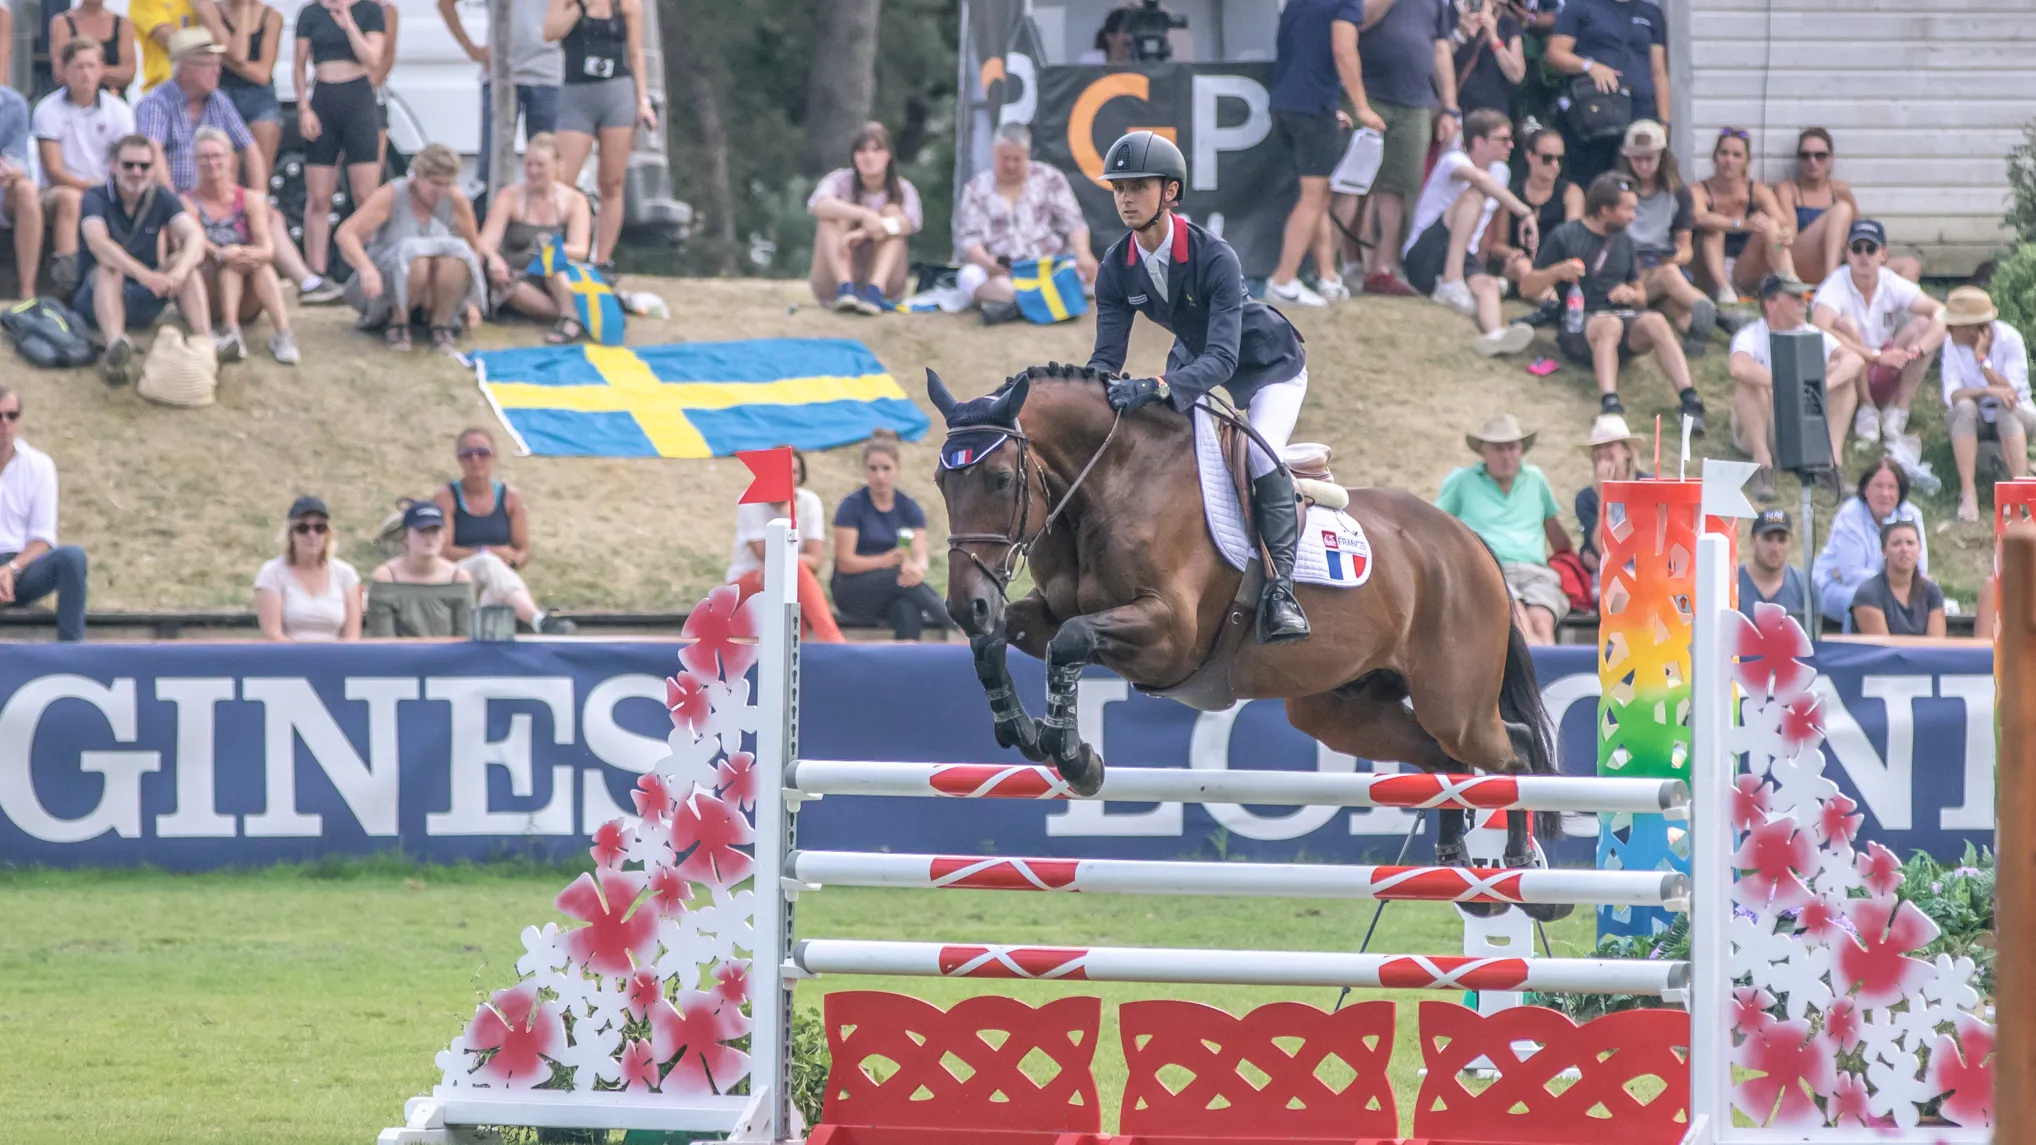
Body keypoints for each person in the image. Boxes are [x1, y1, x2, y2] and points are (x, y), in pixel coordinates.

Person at [1088, 131, 1313, 643]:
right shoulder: (1116, 266)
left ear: (1170, 191)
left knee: (1261, 457)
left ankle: (1282, 593)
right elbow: (1105, 360)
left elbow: (1223, 358)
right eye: (1118, 188)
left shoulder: (1215, 256)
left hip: (1266, 366)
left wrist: (1157, 384)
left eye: (1137, 186)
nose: (1125, 198)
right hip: (1194, 360)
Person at [135, 28, 325, 297]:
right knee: (185, 221)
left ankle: (307, 282)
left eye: (217, 64)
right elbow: (152, 155)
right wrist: (174, 203)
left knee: (270, 215)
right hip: (176, 199)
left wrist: (257, 197)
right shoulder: (155, 103)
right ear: (185, 68)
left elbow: (250, 148)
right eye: (209, 65)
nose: (217, 71)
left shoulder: (219, 101)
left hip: (216, 198)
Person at [1520, 172, 1706, 429]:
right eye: (1628, 209)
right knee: (1609, 324)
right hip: (1578, 328)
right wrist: (1557, 272)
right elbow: (1526, 286)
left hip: (1620, 324)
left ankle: (1690, 398)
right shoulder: (1565, 236)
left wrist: (1632, 295)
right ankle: (1610, 401)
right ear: (1605, 210)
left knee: (1656, 321)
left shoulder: (1625, 242)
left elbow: (1640, 295)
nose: (1633, 216)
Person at [1264, 0, 1375, 308]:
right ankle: (1283, 281)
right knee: (1313, 197)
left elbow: (1298, 52)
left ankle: (1327, 276)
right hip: (1311, 109)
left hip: (1289, 105)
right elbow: (1344, 49)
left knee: (1319, 193)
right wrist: (1362, 106)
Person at [1401, 108, 1537, 357]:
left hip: (1464, 253)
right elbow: (1481, 182)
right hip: (1424, 253)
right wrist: (1524, 212)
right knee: (1475, 193)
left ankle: (1495, 334)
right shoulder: (1454, 160)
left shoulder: (1501, 173)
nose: (1510, 145)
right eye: (1503, 139)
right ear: (1478, 142)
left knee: (1486, 284)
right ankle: (1451, 282)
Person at [78, 133, 212, 384]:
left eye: (144, 166)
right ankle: (115, 347)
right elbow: (99, 244)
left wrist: (178, 273)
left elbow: (195, 236)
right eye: (129, 165)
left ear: (153, 169)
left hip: (145, 294)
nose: (136, 172)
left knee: (184, 264)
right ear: (114, 165)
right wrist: (145, 275)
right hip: (96, 297)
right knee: (109, 267)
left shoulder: (161, 197)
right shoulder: (94, 197)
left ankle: (205, 343)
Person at [1810, 218, 1946, 453]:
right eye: (1857, 248)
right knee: (1846, 325)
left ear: (1884, 254)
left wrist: (1918, 349)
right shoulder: (1835, 283)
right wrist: (1874, 355)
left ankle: (1899, 410)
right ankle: (1866, 409)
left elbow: (1941, 312)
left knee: (1924, 323)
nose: (1864, 256)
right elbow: (1819, 326)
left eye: (1871, 249)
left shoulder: (1891, 282)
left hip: (1888, 364)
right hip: (1849, 373)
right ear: (1847, 254)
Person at [1437, 413, 1575, 645]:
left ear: (1521, 449)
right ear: (1484, 452)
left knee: (1542, 623)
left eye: (1512, 448)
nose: (1507, 456)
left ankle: (1543, 677)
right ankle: (1538, 678)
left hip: (1535, 573)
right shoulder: (1462, 481)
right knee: (1519, 624)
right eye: (1499, 449)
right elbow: (1436, 527)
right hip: (1489, 570)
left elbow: (1557, 535)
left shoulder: (1535, 479)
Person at [335, 142, 486, 354]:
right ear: (417, 177)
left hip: (435, 284)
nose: (440, 191)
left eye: (447, 184)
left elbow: (473, 248)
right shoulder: (393, 194)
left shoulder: (455, 200)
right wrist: (365, 267)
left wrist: (471, 298)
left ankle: (441, 323)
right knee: (416, 256)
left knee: (455, 257)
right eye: (434, 184)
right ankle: (398, 321)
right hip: (392, 276)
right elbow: (346, 234)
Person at [1348, 0, 1454, 297]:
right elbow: (1359, 22)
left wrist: (1450, 107)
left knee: (1397, 188)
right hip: (1368, 96)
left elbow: (1441, 50)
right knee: (1355, 186)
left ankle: (1383, 269)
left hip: (1416, 101)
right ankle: (1351, 265)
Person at [1727, 273, 1864, 501]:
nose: (1804, 302)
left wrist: (1823, 386)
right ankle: (1761, 465)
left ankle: (1830, 465)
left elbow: (1855, 361)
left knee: (1845, 383)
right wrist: (1783, 385)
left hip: (1805, 425)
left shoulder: (1813, 334)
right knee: (1748, 384)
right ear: (1771, 304)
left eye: (1805, 296)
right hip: (1767, 425)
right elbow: (1738, 367)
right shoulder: (1750, 335)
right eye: (1794, 297)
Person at [429, 427, 576, 634]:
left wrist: (513, 560)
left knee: (497, 581)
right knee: (486, 562)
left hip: (493, 587)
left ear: (494, 456)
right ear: (459, 460)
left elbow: (523, 550)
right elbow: (442, 552)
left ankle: (532, 622)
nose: (475, 459)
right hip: (456, 581)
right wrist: (489, 552)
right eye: (467, 454)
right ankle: (539, 621)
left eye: (482, 453)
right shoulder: (446, 498)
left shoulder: (510, 498)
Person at [545, 0, 655, 268]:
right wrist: (581, 7)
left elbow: (636, 53)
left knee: (612, 182)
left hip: (617, 92)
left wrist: (642, 101)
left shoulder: (627, 5)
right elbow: (549, 33)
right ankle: (556, 253)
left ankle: (603, 260)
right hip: (577, 94)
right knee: (561, 180)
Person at [954, 123, 1098, 324]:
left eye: (1017, 159)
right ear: (994, 153)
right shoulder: (977, 188)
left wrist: (1083, 253)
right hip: (1000, 273)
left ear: (1027, 154)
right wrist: (987, 262)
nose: (1011, 165)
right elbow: (970, 239)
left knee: (1077, 270)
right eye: (1005, 159)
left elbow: (1074, 223)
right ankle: (1043, 302)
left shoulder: (1050, 178)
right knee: (968, 276)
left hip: (1047, 267)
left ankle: (1015, 306)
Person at [294, 0, 387, 297]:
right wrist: (303, 108)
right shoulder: (310, 13)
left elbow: (373, 58)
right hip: (323, 96)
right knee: (320, 196)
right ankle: (315, 274)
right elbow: (298, 64)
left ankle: (367, 268)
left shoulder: (370, 11)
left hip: (358, 96)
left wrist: (349, 23)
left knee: (364, 195)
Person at [184, 126, 296, 363]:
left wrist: (247, 254)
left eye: (217, 156)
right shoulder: (187, 202)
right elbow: (195, 241)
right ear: (195, 160)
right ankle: (230, 329)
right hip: (209, 287)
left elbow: (267, 245)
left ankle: (283, 332)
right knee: (229, 264)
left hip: (248, 287)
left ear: (231, 159)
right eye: (204, 157)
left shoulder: (250, 199)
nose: (211, 162)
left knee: (259, 265)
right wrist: (222, 254)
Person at [35, 39, 136, 295]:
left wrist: (106, 190)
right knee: (72, 199)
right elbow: (53, 171)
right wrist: (93, 190)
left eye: (91, 65)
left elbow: (126, 161)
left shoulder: (119, 110)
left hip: (108, 189)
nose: (86, 73)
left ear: (102, 69)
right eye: (78, 66)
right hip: (58, 191)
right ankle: (67, 284)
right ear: (64, 71)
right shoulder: (47, 109)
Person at [831, 430, 949, 641]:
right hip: (852, 589)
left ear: (897, 470)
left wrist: (917, 568)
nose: (880, 476)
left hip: (896, 588)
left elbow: (920, 554)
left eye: (886, 468)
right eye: (873, 469)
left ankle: (907, 662)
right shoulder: (852, 506)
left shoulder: (908, 507)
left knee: (907, 606)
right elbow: (844, 563)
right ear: (865, 471)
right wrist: (884, 561)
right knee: (898, 579)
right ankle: (959, 626)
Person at [477, 132, 593, 341]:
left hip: (555, 273)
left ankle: (570, 315)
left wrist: (553, 249)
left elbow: (580, 250)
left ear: (557, 166)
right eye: (529, 164)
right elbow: (485, 243)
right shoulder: (509, 196)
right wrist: (494, 260)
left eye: (540, 165)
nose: (533, 171)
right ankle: (574, 314)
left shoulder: (575, 201)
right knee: (509, 288)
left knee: (550, 258)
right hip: (516, 274)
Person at [1616, 119, 1715, 357]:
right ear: (1626, 157)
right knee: (1669, 277)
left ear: (1662, 156)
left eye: (1649, 158)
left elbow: (1685, 247)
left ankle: (1695, 334)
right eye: (1636, 158)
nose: (1643, 165)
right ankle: (1719, 316)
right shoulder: (1615, 189)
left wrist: (1675, 260)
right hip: (1627, 268)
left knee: (1679, 307)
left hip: (1662, 262)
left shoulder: (1678, 193)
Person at [0, 385, 90, 643]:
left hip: (19, 569)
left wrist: (11, 569)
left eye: (11, 416)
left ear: (20, 419)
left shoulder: (39, 466)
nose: (4, 424)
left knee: (72, 558)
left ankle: (71, 657)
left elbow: (43, 538)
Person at [726, 447, 843, 643]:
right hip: (748, 584)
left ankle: (810, 651)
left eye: (794, 472)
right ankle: (833, 640)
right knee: (792, 566)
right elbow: (765, 555)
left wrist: (786, 560)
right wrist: (785, 513)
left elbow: (816, 561)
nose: (787, 477)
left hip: (791, 583)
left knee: (792, 571)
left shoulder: (810, 502)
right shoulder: (749, 501)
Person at [440, 0, 562, 189]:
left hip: (548, 75)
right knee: (493, 163)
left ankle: (544, 217)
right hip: (500, 76)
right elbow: (445, 4)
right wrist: (472, 50)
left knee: (547, 163)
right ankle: (492, 213)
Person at [1544, 0, 1668, 185]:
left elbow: (1659, 72)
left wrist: (1665, 122)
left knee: (1642, 183)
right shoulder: (1579, 6)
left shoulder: (1650, 12)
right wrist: (1589, 66)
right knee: (1596, 183)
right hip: (1597, 114)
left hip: (1641, 112)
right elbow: (1555, 53)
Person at [1939, 285, 2034, 523]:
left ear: (1973, 329)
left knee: (2007, 411)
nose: (1947, 329)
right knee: (1964, 408)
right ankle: (1968, 493)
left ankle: (2018, 493)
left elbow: (2012, 392)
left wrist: (1983, 360)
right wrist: (1986, 390)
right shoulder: (1950, 345)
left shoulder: (2010, 339)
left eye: (1952, 325)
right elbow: (1952, 394)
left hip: (2019, 417)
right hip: (1975, 418)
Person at [805, 121, 921, 313]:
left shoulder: (903, 189)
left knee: (892, 216)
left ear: (888, 155)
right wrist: (864, 215)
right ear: (854, 157)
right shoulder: (838, 181)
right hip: (832, 281)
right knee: (832, 214)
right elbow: (818, 204)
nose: (869, 157)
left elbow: (908, 224)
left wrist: (866, 232)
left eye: (876, 150)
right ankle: (845, 287)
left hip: (886, 283)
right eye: (862, 151)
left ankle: (874, 292)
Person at [1812, 456, 1928, 626]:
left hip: (1890, 589)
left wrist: (1897, 581)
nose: (1885, 494)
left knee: (1928, 599)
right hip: (1832, 587)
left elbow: (1920, 569)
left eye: (1891, 487)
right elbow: (1853, 576)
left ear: (1900, 491)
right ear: (1866, 489)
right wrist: (1898, 579)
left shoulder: (1912, 515)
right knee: (1864, 601)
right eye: (1878, 486)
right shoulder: (1851, 514)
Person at [1691, 127, 1789, 306]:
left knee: (1770, 225)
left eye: (1737, 155)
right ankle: (1723, 289)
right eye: (1724, 153)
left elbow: (1781, 221)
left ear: (1746, 162)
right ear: (1714, 157)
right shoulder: (1698, 189)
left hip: (1742, 271)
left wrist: (1784, 233)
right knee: (1713, 228)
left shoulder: (1757, 190)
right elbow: (1699, 218)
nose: (1729, 161)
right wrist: (1740, 224)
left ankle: (1791, 283)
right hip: (1706, 272)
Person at [1488, 125, 1581, 304]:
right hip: (1520, 266)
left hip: (1555, 267)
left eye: (1559, 159)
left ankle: (1548, 299)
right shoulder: (1512, 193)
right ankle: (1550, 302)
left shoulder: (1570, 193)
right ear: (1530, 156)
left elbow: (1573, 241)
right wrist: (1512, 252)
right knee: (1522, 265)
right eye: (1547, 159)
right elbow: (1497, 245)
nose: (1555, 165)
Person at [254, 495, 362, 641]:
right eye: (303, 528)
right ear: (291, 534)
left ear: (327, 534)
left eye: (320, 528)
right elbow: (273, 635)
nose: (312, 535)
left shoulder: (346, 574)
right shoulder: (271, 573)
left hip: (335, 658)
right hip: (288, 658)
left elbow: (352, 637)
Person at [367, 501, 475, 638]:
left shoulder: (458, 578)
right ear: (406, 536)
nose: (429, 539)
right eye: (422, 531)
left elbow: (464, 637)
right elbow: (383, 641)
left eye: (435, 531)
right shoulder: (386, 578)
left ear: (444, 536)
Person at [1573, 412, 1647, 578]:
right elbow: (1602, 549)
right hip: (1611, 575)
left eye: (1609, 445)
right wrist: (1605, 496)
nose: (1602, 452)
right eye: (1597, 448)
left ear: (1627, 451)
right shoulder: (1586, 498)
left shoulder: (1649, 485)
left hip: (1649, 569)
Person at [217, 0, 285, 173]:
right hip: (222, 96)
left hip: (260, 97)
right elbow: (240, 54)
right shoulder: (212, 10)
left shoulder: (271, 16)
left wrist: (226, 58)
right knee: (225, 172)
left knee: (259, 174)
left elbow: (263, 74)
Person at [1850, 520, 1944, 637]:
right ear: (1884, 551)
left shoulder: (1932, 592)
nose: (1904, 549)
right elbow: (1883, 649)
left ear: (1920, 549)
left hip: (1924, 655)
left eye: (1910, 543)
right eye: (1896, 544)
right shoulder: (1868, 594)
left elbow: (1936, 645)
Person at [0, 84, 43, 301]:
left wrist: (11, 170)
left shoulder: (14, 103)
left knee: (26, 190)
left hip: (4, 191)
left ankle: (27, 294)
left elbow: (20, 160)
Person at [131, 0, 229, 93]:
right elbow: (175, 42)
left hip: (205, 90)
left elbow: (224, 45)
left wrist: (203, 6)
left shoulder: (200, 2)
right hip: (165, 89)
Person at [1449, 0, 1526, 117]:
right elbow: (1438, 58)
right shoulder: (1454, 14)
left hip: (1493, 111)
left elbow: (1517, 75)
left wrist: (1494, 38)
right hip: (1457, 107)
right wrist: (1461, 33)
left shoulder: (1508, 22)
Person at [47, 0, 139, 93]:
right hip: (71, 101)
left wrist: (80, 71)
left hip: (114, 99)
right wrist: (109, 74)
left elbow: (128, 73)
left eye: (90, 66)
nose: (86, 71)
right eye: (81, 66)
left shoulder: (123, 24)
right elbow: (60, 73)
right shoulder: (62, 22)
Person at [1738, 508, 1808, 621]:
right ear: (1752, 540)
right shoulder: (1730, 585)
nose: (1775, 548)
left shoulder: (1806, 589)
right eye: (1767, 539)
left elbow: (1813, 637)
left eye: (1782, 540)